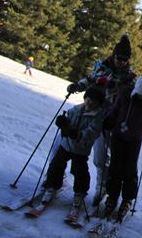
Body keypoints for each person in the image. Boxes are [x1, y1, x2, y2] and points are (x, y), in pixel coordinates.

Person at [66, 34, 136, 207]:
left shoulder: (129, 77)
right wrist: (77, 86)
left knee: (102, 157)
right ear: (113, 55)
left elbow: (131, 97)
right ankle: (56, 179)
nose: (122, 62)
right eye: (119, 58)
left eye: (125, 59)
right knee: (74, 147)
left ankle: (101, 188)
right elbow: (89, 79)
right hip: (92, 114)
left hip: (110, 120)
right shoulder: (101, 67)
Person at [101, 70, 142, 221]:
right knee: (115, 166)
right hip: (118, 136)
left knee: (130, 169)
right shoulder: (125, 95)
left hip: (135, 139)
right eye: (140, 94)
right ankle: (112, 196)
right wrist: (109, 120)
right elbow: (115, 110)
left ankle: (127, 199)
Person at [40, 85, 105, 219]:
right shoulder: (75, 109)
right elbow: (67, 121)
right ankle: (52, 186)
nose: (90, 102)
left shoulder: (98, 117)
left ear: (99, 103)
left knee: (79, 171)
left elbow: (91, 133)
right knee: (55, 165)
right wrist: (62, 123)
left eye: (94, 100)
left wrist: (74, 133)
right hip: (66, 145)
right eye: (88, 98)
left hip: (80, 149)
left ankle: (79, 194)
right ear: (85, 97)